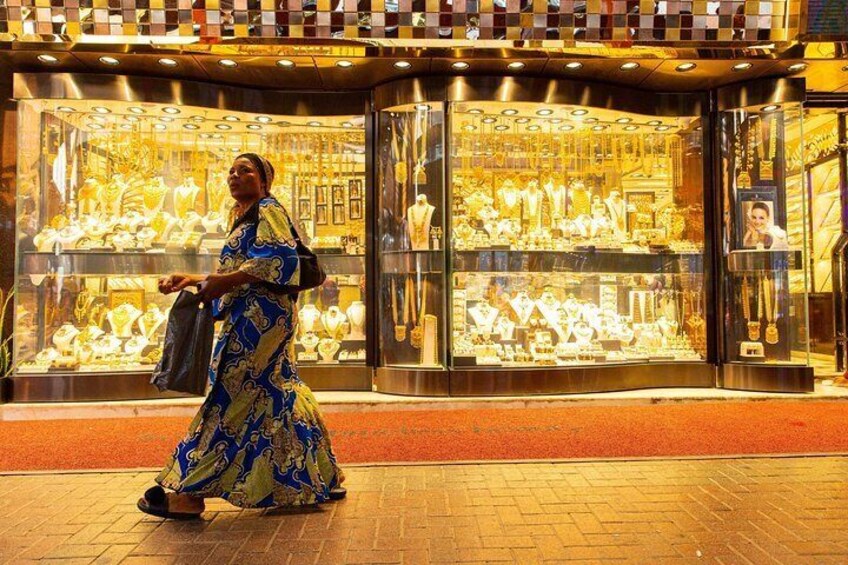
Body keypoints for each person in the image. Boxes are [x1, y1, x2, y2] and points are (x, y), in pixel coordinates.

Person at [137, 153, 345, 519]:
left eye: (244, 170)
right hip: (256, 315)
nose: (235, 176)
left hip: (260, 320)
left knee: (231, 393)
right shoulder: (245, 218)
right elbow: (236, 271)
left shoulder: (268, 209)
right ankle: (308, 480)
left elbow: (278, 260)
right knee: (275, 390)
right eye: (231, 171)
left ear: (264, 180)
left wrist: (224, 282)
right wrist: (194, 280)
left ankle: (191, 493)